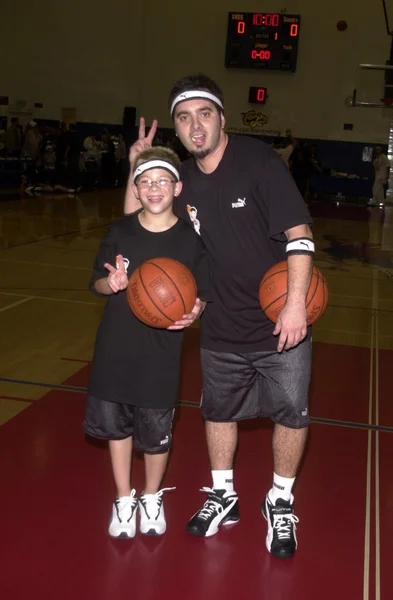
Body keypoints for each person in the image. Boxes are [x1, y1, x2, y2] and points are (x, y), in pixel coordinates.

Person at [124, 74, 313, 559]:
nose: (195, 125)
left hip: (279, 321)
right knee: (218, 412)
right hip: (222, 322)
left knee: (291, 415)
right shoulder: (183, 179)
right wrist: (135, 169)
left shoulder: (259, 161)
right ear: (177, 128)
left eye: (204, 114)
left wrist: (294, 305)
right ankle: (224, 494)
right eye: (184, 118)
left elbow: (299, 234)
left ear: (221, 117)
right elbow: (137, 224)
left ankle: (280, 500)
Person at [85, 146, 210, 539]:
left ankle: (152, 495)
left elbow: (203, 290)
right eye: (146, 182)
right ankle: (124, 497)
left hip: (162, 351)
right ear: (136, 189)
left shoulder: (191, 239)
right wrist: (113, 283)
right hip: (115, 346)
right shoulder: (120, 231)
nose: (154, 188)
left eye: (162, 181)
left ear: (177, 188)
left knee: (156, 431)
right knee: (117, 426)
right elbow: (97, 283)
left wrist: (196, 312)